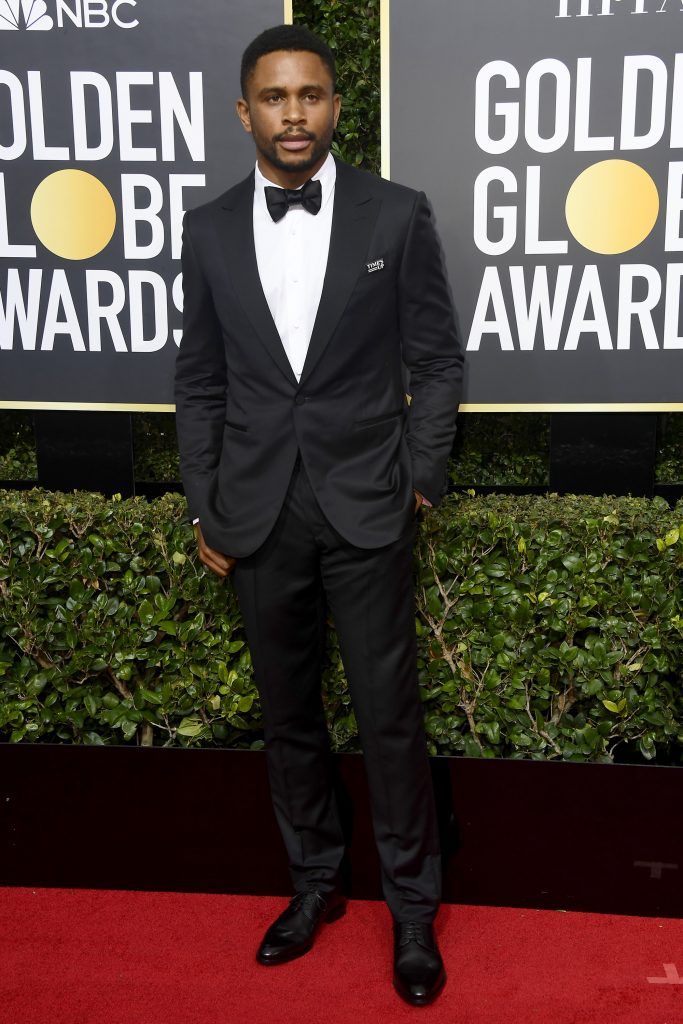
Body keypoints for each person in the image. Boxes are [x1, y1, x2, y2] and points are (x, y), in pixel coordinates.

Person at [174, 23, 463, 1007]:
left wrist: (418, 476)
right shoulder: (209, 228)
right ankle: (311, 887)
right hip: (257, 511)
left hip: (367, 503)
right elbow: (200, 381)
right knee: (288, 716)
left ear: (336, 106)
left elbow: (434, 357)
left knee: (388, 718)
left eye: (309, 95)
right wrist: (206, 499)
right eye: (273, 97)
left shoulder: (393, 216)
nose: (292, 114)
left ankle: (413, 911)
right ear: (244, 109)